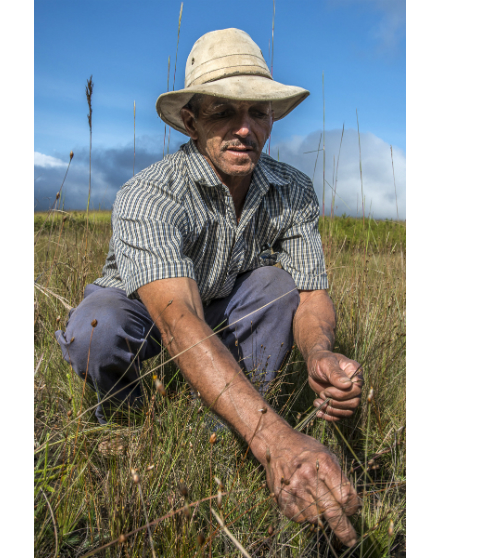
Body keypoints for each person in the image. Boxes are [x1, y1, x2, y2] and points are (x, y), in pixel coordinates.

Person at [56, 28, 363, 545]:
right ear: (192, 122)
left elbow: (310, 294)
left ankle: (219, 436)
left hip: (221, 307)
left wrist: (319, 353)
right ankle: (129, 422)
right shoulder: (150, 193)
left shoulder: (292, 190)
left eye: (258, 112)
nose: (245, 129)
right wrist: (279, 443)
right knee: (98, 331)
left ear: (272, 120)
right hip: (147, 308)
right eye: (223, 111)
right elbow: (177, 321)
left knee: (277, 285)